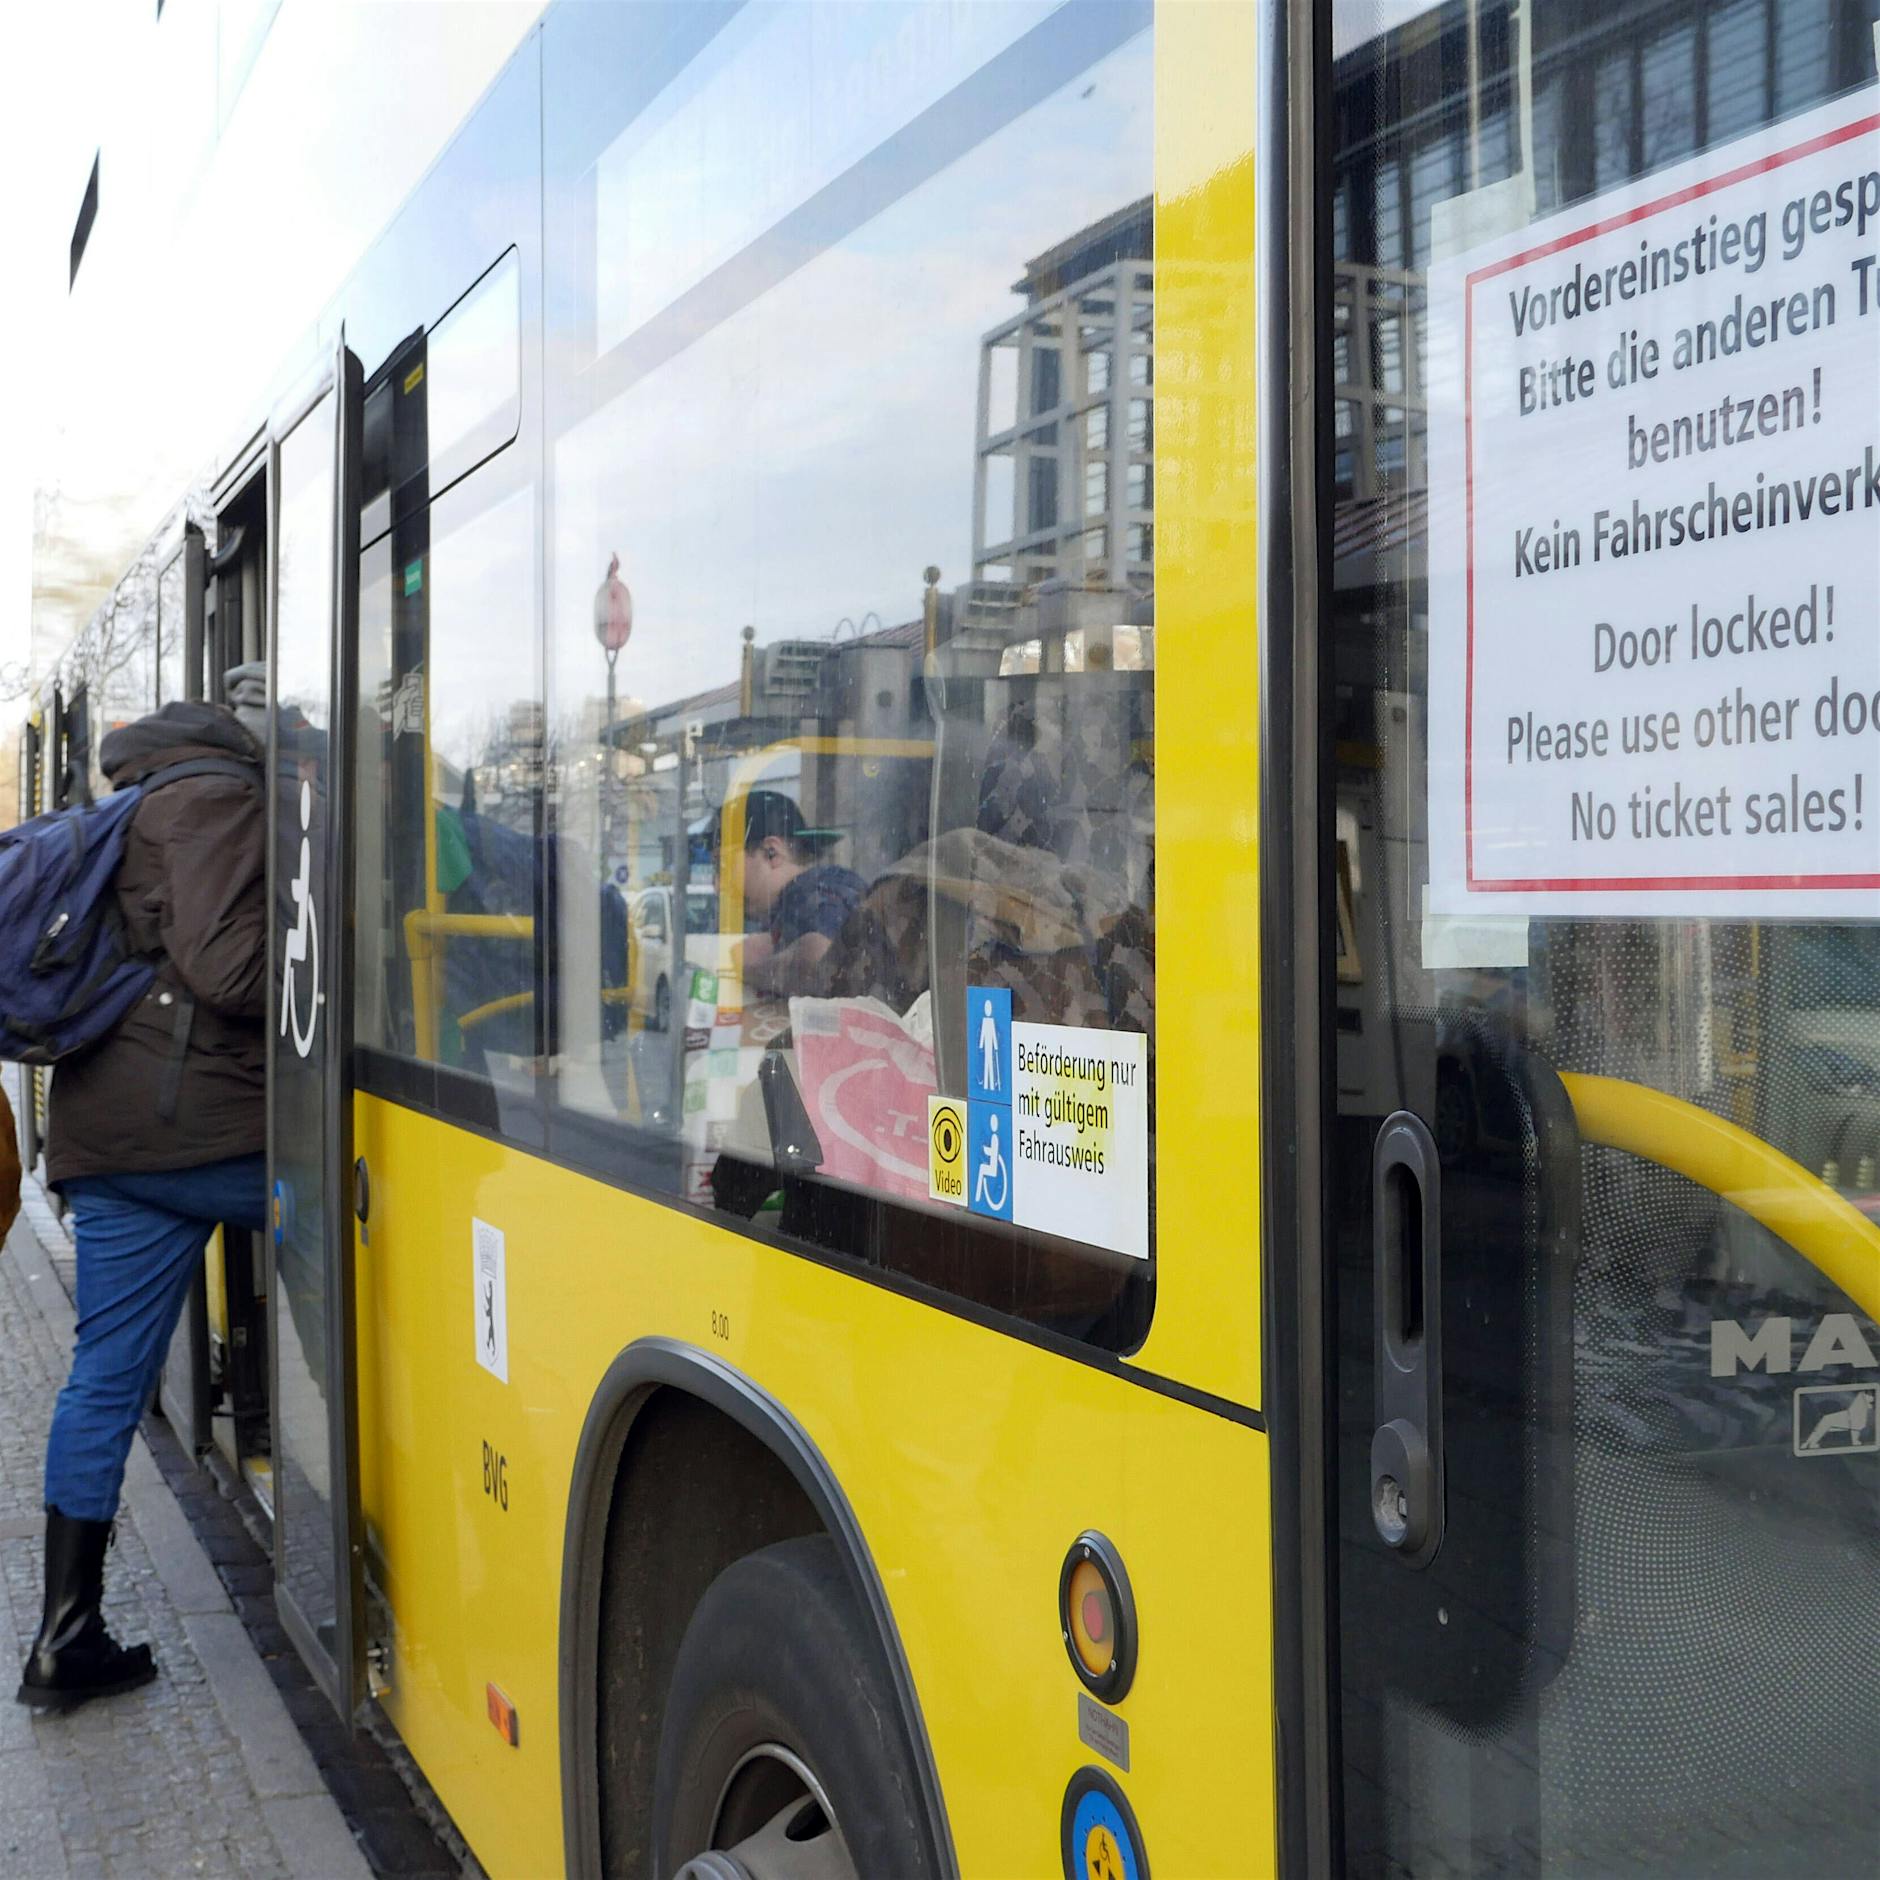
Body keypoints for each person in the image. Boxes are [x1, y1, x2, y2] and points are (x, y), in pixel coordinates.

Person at [17, 698, 268, 1713]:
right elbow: (228, 965)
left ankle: (63, 1636)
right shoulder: (219, 797)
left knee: (102, 1381)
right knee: (375, 1210)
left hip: (110, 1136)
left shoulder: (136, 802)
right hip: (204, 1133)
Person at [736, 789, 864, 998]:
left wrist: (751, 967)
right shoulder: (794, 902)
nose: (717, 884)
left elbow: (820, 959)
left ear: (771, 852)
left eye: (723, 866)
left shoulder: (812, 891)